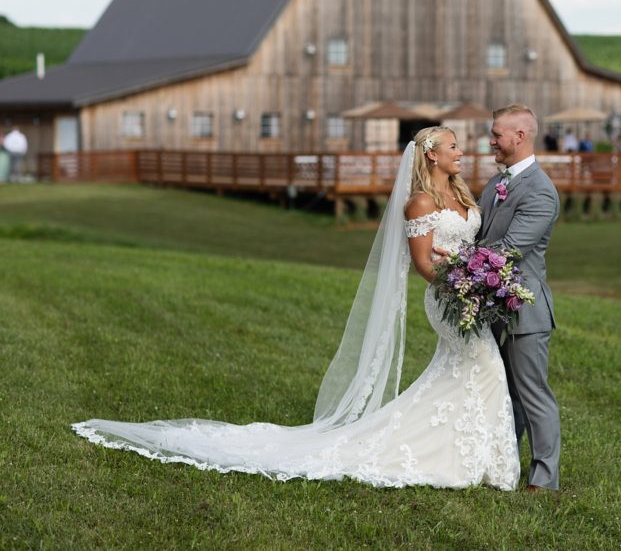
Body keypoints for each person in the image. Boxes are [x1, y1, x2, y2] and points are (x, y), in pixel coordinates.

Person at [72, 126, 519, 490]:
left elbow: (469, 245)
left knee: (469, 372)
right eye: (454, 147)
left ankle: (467, 455)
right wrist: (462, 284)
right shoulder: (419, 203)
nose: (462, 152)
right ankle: (467, 459)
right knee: (485, 368)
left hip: (470, 295)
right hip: (448, 299)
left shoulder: (463, 196)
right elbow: (423, 263)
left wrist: (480, 276)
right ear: (432, 156)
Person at [478, 104, 561, 492]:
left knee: (531, 394)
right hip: (490, 304)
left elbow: (509, 249)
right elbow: (480, 238)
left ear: (520, 137)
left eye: (497, 134)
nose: (491, 140)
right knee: (500, 391)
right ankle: (501, 461)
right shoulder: (495, 184)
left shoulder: (541, 190)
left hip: (524, 308)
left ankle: (544, 478)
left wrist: (460, 267)